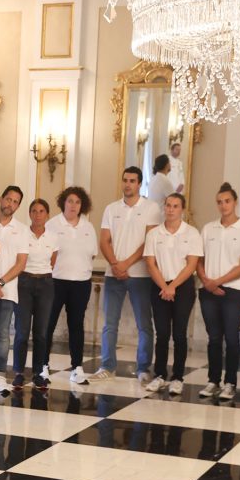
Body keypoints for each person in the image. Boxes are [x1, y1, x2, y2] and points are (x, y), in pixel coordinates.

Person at [88, 167, 161, 383]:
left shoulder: (151, 208)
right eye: (125, 180)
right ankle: (107, 366)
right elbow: (104, 240)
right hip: (113, 275)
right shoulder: (112, 209)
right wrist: (115, 264)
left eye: (132, 181)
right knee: (110, 323)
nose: (128, 184)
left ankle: (143, 368)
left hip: (141, 275)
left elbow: (149, 241)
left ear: (140, 184)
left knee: (144, 325)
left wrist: (126, 264)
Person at [196, 182, 240, 401]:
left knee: (231, 337)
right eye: (220, 202)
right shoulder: (208, 228)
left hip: (235, 290)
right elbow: (198, 259)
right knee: (214, 337)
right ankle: (213, 381)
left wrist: (218, 281)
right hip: (208, 289)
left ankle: (230, 382)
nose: (223, 206)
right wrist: (206, 280)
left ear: (235, 202)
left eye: (227, 201)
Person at [142, 193, 202, 395]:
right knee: (162, 333)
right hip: (159, 285)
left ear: (182, 209)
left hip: (182, 287)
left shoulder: (192, 233)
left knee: (179, 334)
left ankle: (177, 377)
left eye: (175, 206)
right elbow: (150, 264)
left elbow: (192, 264)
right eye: (168, 205)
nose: (170, 209)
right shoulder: (153, 234)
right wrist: (164, 287)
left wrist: (173, 286)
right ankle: (159, 375)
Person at [45, 186, 97, 384]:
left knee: (76, 325)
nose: (73, 205)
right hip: (55, 281)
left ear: (82, 205)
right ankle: (43, 365)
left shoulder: (88, 227)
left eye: (77, 202)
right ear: (63, 203)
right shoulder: (52, 225)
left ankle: (77, 367)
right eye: (70, 201)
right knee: (48, 324)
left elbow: (92, 253)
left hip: (81, 283)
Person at [12, 199, 58, 389]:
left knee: (41, 332)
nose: (37, 214)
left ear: (47, 215)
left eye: (41, 211)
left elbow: (53, 260)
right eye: (34, 211)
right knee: (22, 331)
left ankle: (39, 372)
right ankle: (19, 373)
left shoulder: (53, 236)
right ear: (29, 214)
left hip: (46, 283)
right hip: (24, 282)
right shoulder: (22, 234)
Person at [0, 186, 29, 395]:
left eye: (15, 202)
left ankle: (0, 374)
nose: (10, 204)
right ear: (1, 198)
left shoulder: (22, 229)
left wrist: (0, 283)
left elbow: (21, 263)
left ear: (18, 206)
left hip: (7, 289)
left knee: (3, 334)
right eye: (8, 199)